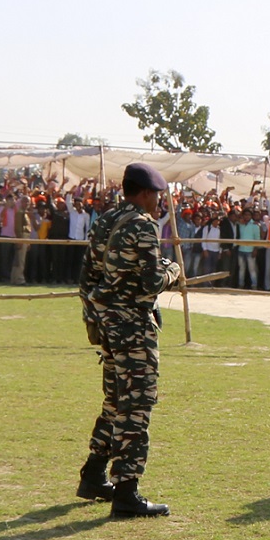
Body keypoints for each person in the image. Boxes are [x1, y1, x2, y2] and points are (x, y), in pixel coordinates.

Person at [77, 163, 186, 519]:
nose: (158, 203)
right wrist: (173, 270)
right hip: (133, 329)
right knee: (137, 405)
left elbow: (87, 275)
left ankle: (94, 475)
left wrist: (95, 317)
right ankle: (126, 490)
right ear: (144, 193)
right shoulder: (142, 224)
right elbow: (153, 281)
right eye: (156, 195)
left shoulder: (106, 220)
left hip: (108, 326)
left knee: (115, 402)